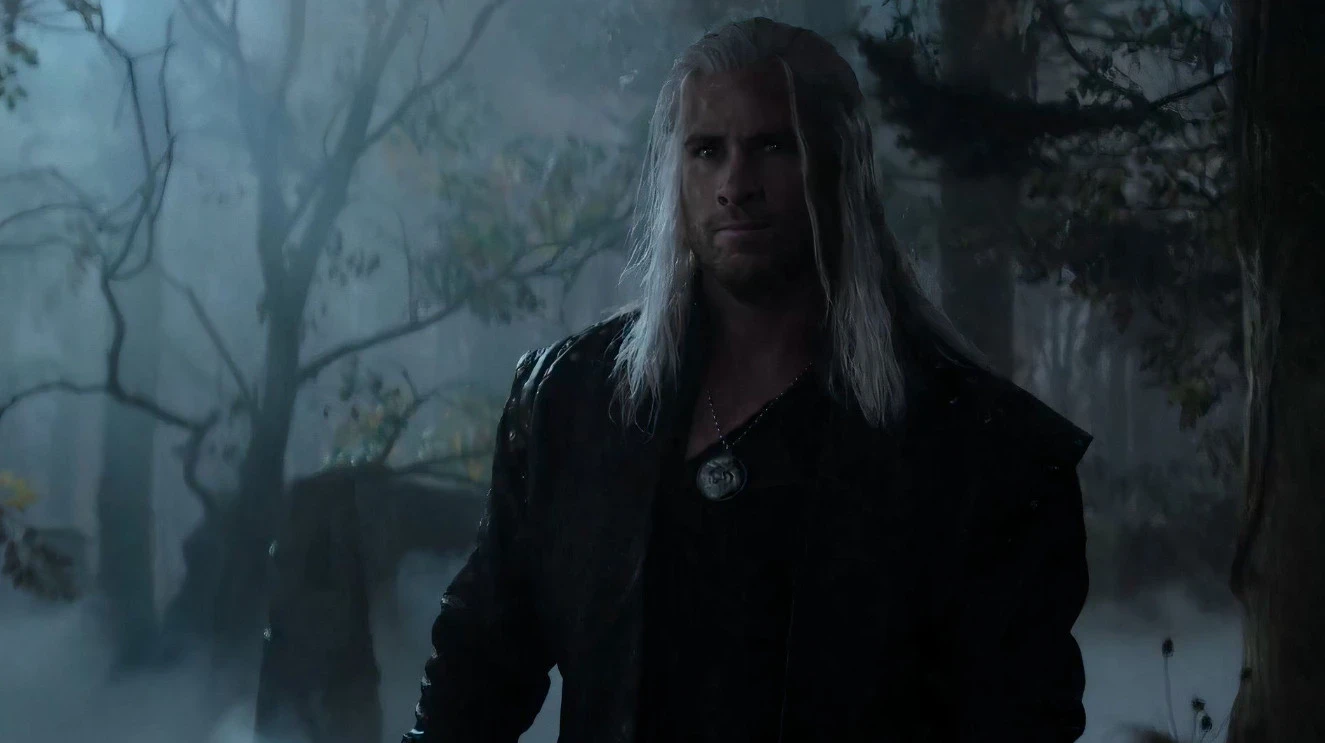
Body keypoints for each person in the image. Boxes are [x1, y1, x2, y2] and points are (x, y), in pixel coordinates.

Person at [402, 17, 1091, 743]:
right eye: (707, 151)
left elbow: (1017, 721)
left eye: (773, 146)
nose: (736, 186)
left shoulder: (980, 448)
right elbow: (474, 675)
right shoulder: (570, 403)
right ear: (676, 175)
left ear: (839, 165)